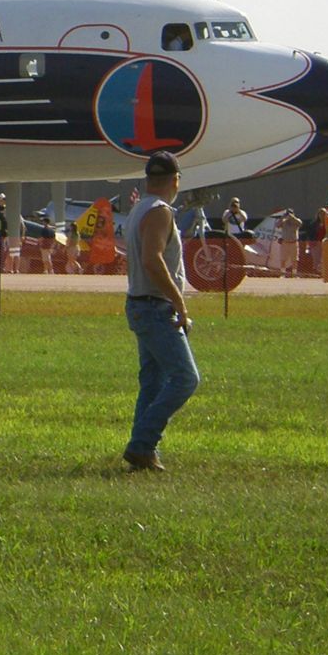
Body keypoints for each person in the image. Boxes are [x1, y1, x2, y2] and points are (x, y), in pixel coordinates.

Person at [120, 152, 199, 472]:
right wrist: (179, 301)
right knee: (185, 378)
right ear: (176, 180)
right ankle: (142, 442)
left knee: (152, 382)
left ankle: (142, 453)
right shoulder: (160, 212)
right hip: (155, 307)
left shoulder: (139, 208)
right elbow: (153, 260)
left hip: (140, 303)